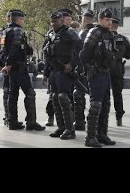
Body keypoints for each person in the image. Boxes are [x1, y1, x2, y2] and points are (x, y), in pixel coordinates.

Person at [1, 9, 45, 131]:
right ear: (18, 19)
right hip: (18, 67)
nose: (23, 22)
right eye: (22, 19)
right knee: (30, 93)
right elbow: (15, 48)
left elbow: (2, 51)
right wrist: (9, 63)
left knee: (12, 94)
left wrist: (5, 63)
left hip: (11, 68)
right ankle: (31, 122)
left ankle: (12, 121)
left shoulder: (4, 32)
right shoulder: (18, 30)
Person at [80, 8, 116, 147]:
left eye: (110, 20)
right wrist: (90, 68)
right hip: (96, 73)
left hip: (105, 73)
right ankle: (90, 137)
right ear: (100, 20)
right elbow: (84, 55)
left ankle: (102, 134)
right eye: (107, 20)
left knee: (106, 104)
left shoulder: (109, 35)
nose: (109, 22)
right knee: (96, 105)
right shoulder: (94, 32)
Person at [43, 11, 81, 139]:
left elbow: (80, 50)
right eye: (52, 21)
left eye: (56, 21)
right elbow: (47, 55)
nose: (54, 24)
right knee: (54, 98)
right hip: (54, 71)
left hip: (65, 71)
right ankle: (61, 127)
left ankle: (70, 129)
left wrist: (71, 64)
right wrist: (45, 73)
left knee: (63, 98)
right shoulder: (51, 34)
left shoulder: (70, 33)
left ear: (62, 20)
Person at [74, 9, 95, 131]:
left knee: (79, 95)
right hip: (97, 70)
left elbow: (79, 53)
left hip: (84, 70)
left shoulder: (82, 34)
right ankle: (94, 122)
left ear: (84, 20)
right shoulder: (98, 33)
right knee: (96, 98)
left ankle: (80, 121)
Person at [110, 17, 130, 126]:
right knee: (117, 93)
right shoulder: (124, 39)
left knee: (103, 94)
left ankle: (101, 119)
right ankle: (119, 117)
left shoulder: (103, 37)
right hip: (118, 68)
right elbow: (128, 55)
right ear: (117, 26)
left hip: (105, 68)